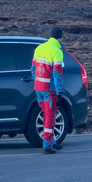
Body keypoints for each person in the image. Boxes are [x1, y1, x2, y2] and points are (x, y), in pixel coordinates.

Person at [31, 26, 65, 154]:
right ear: (60, 38)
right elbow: (57, 74)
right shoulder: (57, 51)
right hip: (50, 90)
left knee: (46, 114)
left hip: (38, 89)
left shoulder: (39, 48)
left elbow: (33, 69)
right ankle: (47, 146)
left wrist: (38, 82)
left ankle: (52, 141)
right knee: (50, 116)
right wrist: (59, 91)